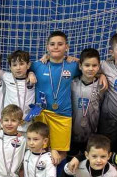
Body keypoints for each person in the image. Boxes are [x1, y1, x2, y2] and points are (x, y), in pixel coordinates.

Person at [30, 32, 80, 162]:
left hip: (63, 115)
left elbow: (92, 66)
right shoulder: (37, 65)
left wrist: (101, 75)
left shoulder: (73, 66)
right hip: (42, 113)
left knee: (61, 152)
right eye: (52, 44)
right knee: (40, 149)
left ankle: (56, 175)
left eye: (60, 44)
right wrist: (30, 73)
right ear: (47, 47)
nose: (56, 47)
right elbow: (21, 70)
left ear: (66, 47)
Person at [0, 50, 35, 131]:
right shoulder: (6, 77)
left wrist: (31, 73)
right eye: (14, 65)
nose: (18, 68)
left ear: (28, 65)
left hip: (27, 124)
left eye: (21, 64)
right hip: (10, 124)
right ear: (10, 67)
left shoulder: (34, 79)